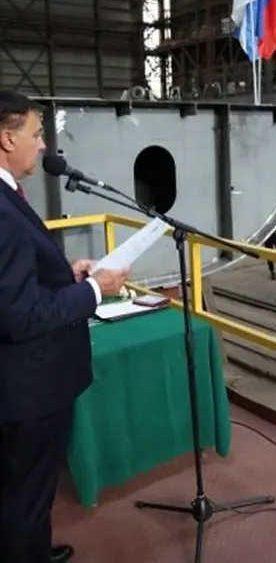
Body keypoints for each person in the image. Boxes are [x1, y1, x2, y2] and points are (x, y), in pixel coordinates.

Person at [0, 91, 130, 563]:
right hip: (27, 390)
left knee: (24, 494)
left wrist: (65, 277)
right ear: (6, 137)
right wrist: (95, 290)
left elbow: (14, 285)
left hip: (21, 386)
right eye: (36, 135)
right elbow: (20, 316)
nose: (43, 146)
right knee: (25, 496)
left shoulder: (8, 196)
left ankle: (33, 546)